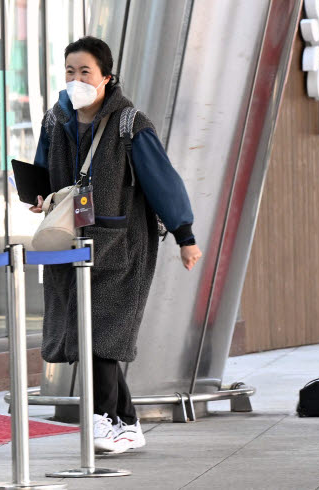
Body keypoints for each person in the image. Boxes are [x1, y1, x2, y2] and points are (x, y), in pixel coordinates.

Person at [31, 36, 203, 453]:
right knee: (83, 335)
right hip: (70, 246)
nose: (75, 79)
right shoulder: (56, 121)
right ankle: (125, 422)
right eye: (70, 70)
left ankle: (105, 419)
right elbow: (40, 170)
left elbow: (163, 181)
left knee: (102, 335)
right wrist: (37, 196)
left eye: (84, 71)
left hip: (121, 247)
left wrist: (185, 236)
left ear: (107, 76)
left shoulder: (130, 124)